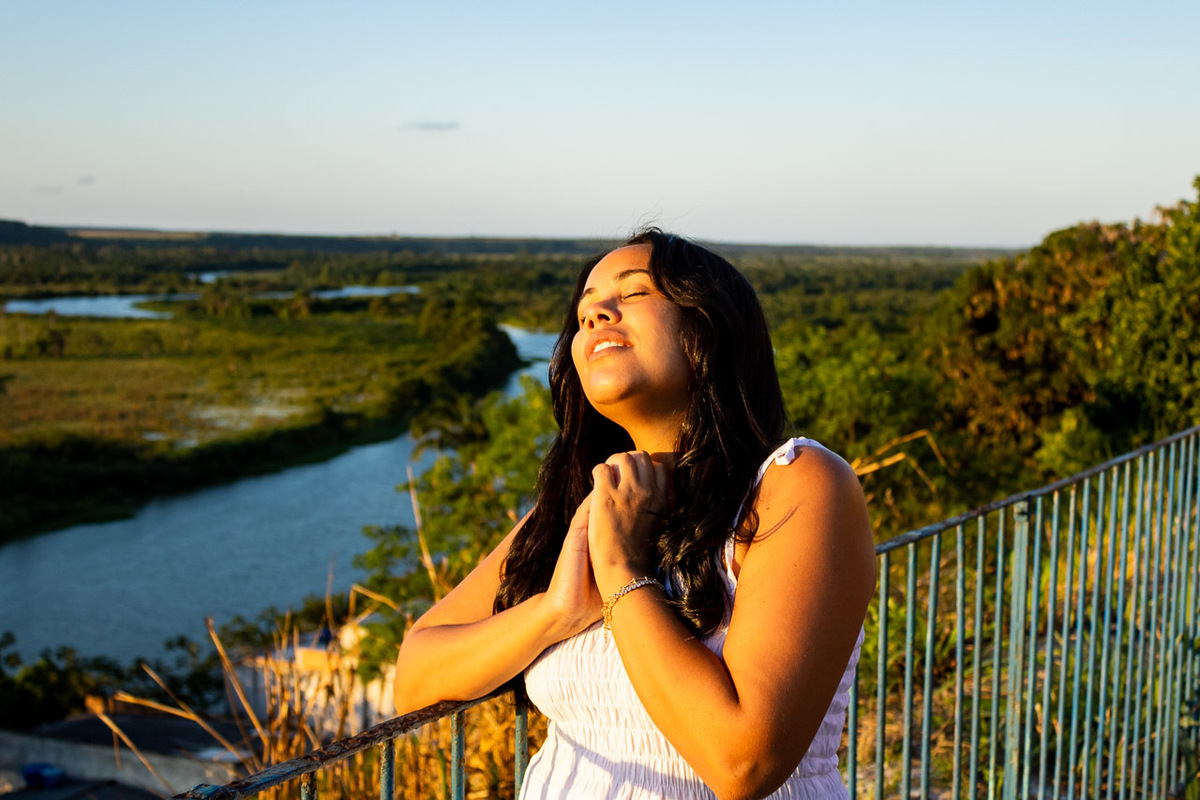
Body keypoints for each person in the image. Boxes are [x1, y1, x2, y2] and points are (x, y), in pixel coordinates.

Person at [393, 229, 876, 800]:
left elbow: (742, 762)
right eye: (584, 308)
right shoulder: (582, 507)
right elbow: (415, 680)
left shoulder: (797, 484)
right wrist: (557, 610)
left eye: (634, 292)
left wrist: (621, 570)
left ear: (708, 325)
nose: (595, 312)